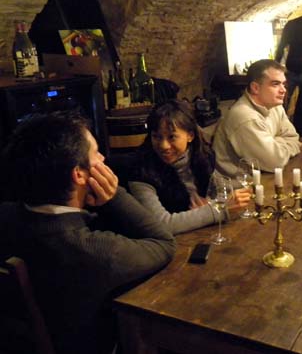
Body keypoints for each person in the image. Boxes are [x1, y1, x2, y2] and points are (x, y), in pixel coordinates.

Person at [0, 112, 176, 354]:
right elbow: (163, 243)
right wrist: (114, 196)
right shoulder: (94, 251)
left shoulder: (7, 215)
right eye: (96, 153)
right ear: (79, 174)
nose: (103, 158)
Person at [128, 100, 251, 235]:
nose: (164, 145)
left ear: (190, 136)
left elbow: (215, 191)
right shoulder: (141, 170)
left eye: (172, 137)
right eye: (156, 137)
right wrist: (217, 210)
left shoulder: (202, 156)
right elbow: (162, 224)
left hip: (200, 234)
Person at [213, 59, 301, 177]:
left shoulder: (275, 106)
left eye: (283, 84)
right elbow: (275, 161)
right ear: (255, 88)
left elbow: (294, 138)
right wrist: (279, 143)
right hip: (239, 189)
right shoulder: (245, 117)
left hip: (265, 177)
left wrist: (276, 145)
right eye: (275, 84)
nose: (283, 90)